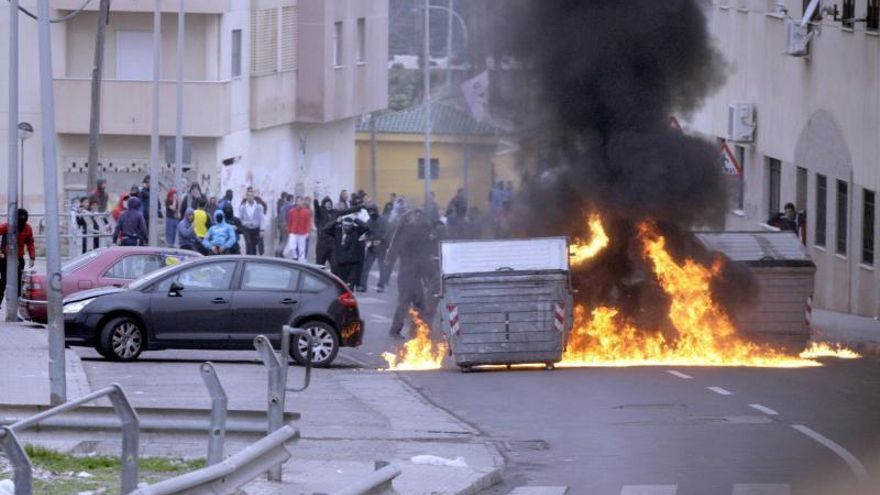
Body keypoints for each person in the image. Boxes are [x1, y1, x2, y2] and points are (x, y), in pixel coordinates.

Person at [386, 209, 431, 339]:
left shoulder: (407, 230)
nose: (419, 219)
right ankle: (396, 329)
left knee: (419, 303)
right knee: (405, 302)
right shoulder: (412, 231)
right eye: (417, 216)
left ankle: (416, 330)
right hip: (408, 274)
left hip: (413, 274)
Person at [0, 208, 36, 305]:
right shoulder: (7, 226)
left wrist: (32, 257)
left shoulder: (27, 228)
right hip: (5, 258)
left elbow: (30, 243)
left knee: (18, 284)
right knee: (3, 282)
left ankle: (14, 307)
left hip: (18, 259)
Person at [324, 216, 369, 288]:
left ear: (352, 226)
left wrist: (356, 219)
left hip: (352, 263)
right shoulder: (337, 230)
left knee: (349, 286)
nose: (346, 228)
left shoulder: (356, 231)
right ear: (342, 225)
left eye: (349, 226)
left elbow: (366, 227)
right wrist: (336, 221)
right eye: (345, 226)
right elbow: (325, 229)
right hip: (341, 262)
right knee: (340, 285)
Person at [359, 205, 391, 293]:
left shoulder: (384, 221)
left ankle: (381, 286)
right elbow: (366, 232)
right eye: (369, 212)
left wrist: (381, 240)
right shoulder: (369, 221)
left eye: (372, 211)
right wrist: (367, 239)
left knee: (382, 267)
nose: (371, 213)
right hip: (371, 247)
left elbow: (387, 233)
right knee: (366, 266)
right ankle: (362, 285)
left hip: (381, 248)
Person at [285, 196, 312, 261]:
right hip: (293, 231)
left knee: (301, 248)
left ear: (302, 202)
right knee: (292, 246)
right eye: (298, 201)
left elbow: (308, 222)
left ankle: (301, 260)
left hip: (302, 232)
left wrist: (308, 232)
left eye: (300, 201)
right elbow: (289, 221)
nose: (299, 202)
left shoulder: (306, 212)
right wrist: (289, 231)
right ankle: (295, 257)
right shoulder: (292, 211)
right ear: (296, 202)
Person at [314, 196, 338, 268]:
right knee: (319, 266)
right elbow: (316, 208)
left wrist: (359, 207)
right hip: (322, 243)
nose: (329, 205)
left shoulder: (334, 213)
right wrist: (316, 199)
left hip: (332, 243)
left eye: (330, 203)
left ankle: (333, 278)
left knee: (335, 265)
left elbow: (346, 211)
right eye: (327, 203)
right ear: (323, 204)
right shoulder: (320, 213)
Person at [239, 187, 264, 255]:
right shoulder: (243, 207)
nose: (250, 197)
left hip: (256, 228)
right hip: (246, 228)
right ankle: (248, 259)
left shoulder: (259, 207)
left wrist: (262, 230)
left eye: (251, 195)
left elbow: (261, 218)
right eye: (248, 195)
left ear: (254, 196)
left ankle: (253, 259)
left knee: (254, 245)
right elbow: (240, 218)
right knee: (248, 244)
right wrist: (243, 224)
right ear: (246, 197)